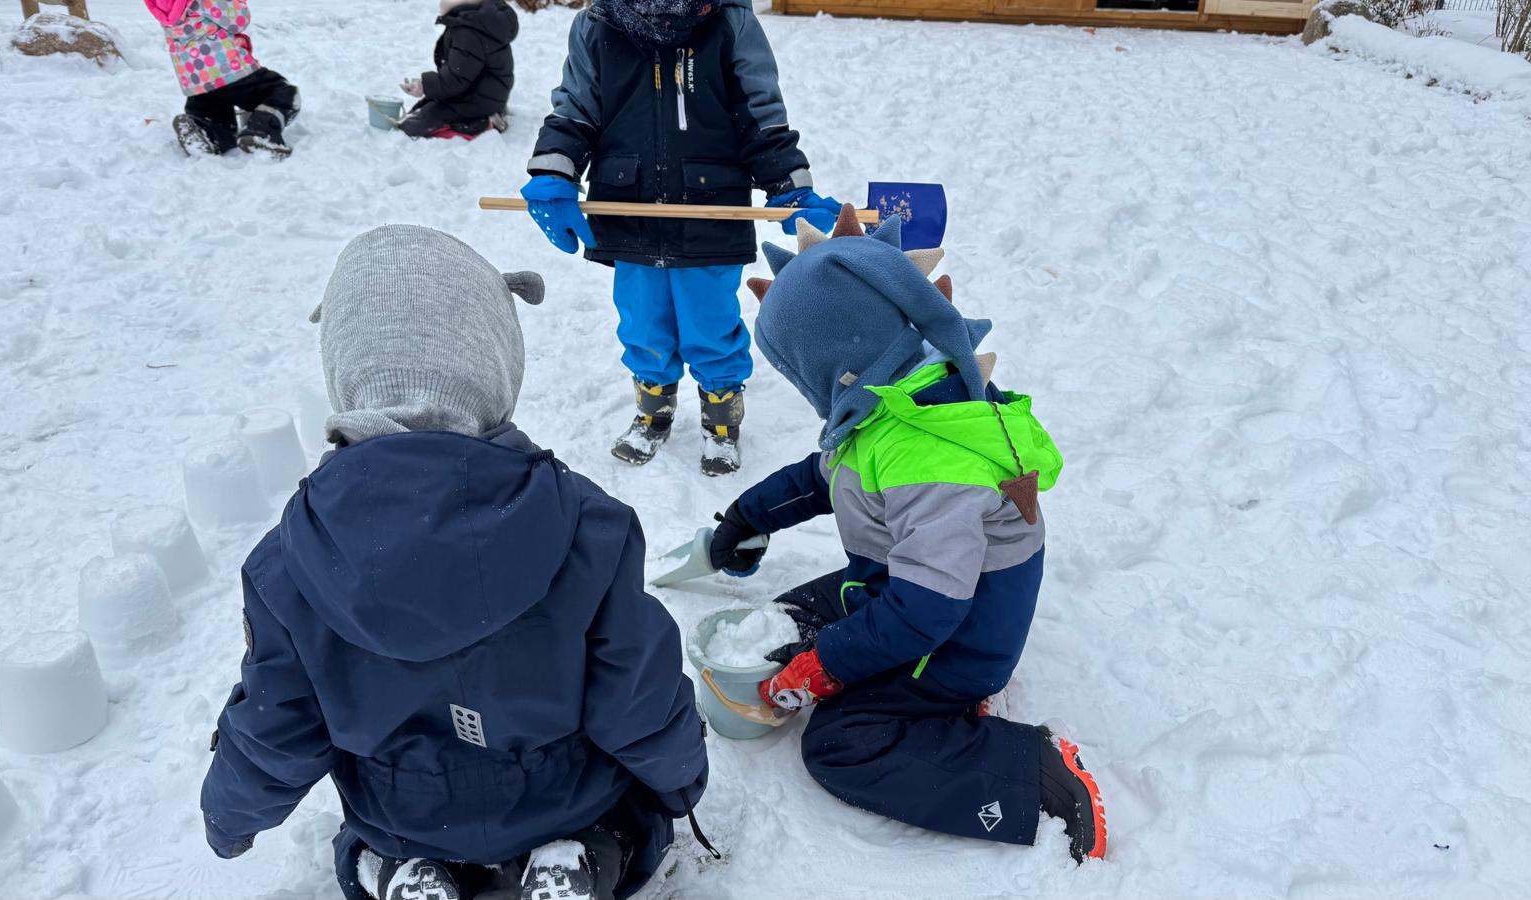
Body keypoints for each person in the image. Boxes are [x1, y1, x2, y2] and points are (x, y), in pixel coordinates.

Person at [198, 225, 710, 900]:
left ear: (346, 369)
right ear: (495, 364)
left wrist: (229, 819)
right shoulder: (587, 525)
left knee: (367, 842)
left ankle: (398, 871)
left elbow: (278, 720)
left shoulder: (287, 563)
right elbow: (636, 696)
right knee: (628, 822)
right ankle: (582, 856)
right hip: (565, 796)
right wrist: (680, 783)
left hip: (405, 813)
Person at [701, 208, 1109, 863]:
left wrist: (825, 666)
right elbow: (827, 476)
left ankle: (1030, 773)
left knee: (841, 743)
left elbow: (928, 610)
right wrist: (748, 517)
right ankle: (851, 656)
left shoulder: (929, 450)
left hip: (958, 633)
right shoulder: (894, 401)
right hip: (915, 582)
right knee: (794, 615)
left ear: (831, 356)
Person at [521, 0, 842, 476]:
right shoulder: (596, 26)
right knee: (643, 325)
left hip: (709, 207)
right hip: (628, 205)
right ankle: (653, 413)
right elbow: (576, 111)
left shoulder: (729, 23)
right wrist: (554, 173)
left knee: (711, 326)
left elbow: (760, 116)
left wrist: (789, 187)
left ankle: (722, 420)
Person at [144, 0, 301, 158]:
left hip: (196, 79)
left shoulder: (166, 4)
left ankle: (205, 132)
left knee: (215, 119)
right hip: (227, 68)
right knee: (283, 93)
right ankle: (261, 132)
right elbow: (239, 20)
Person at [395, 0, 517, 140]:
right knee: (422, 109)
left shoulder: (468, 31)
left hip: (476, 99)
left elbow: (456, 79)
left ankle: (483, 125)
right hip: (486, 95)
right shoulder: (479, 19)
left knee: (414, 125)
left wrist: (424, 86)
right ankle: (489, 113)